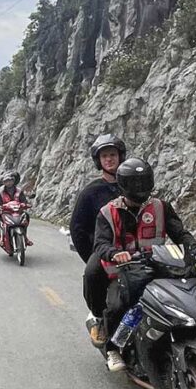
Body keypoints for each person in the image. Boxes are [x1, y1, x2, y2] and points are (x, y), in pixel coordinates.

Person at [92, 157, 196, 371]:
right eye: (134, 184)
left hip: (160, 267)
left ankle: (189, 332)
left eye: (143, 182)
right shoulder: (107, 212)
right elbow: (100, 244)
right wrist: (115, 253)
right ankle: (113, 348)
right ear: (123, 185)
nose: (139, 188)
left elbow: (180, 233)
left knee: (190, 291)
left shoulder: (160, 207)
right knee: (118, 305)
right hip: (126, 270)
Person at [69, 134, 126, 345]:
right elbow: (77, 228)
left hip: (134, 245)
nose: (109, 159)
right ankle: (98, 318)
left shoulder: (132, 184)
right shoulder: (90, 192)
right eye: (105, 156)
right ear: (98, 160)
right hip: (103, 248)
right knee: (92, 273)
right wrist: (92, 254)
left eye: (113, 155)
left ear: (120, 157)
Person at [0, 170, 32, 246]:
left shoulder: (19, 191)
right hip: (6, 211)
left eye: (10, 180)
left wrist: (25, 204)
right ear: (3, 182)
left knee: (26, 215)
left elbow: (23, 200)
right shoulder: (1, 191)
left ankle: (25, 236)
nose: (8, 182)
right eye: (6, 181)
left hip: (17, 211)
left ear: (13, 181)